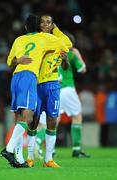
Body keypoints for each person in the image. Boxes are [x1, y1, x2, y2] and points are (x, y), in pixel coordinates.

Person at [0, 14, 69, 168]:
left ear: (25, 27)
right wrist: (55, 31)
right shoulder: (43, 38)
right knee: (28, 116)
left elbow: (9, 61)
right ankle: (10, 149)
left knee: (21, 116)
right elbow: (66, 45)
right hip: (30, 77)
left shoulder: (19, 40)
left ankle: (18, 158)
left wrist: (18, 60)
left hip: (15, 77)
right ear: (39, 28)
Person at [25, 15, 72, 168]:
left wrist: (64, 59)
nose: (45, 24)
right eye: (42, 22)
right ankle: (30, 158)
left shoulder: (56, 40)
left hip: (53, 85)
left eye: (49, 22)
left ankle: (48, 159)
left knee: (52, 121)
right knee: (33, 121)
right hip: (37, 84)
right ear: (38, 25)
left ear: (52, 25)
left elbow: (68, 46)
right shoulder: (36, 39)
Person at [58, 33, 90, 158]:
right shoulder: (71, 53)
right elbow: (82, 69)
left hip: (54, 90)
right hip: (68, 89)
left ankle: (45, 148)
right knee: (77, 117)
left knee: (53, 120)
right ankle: (76, 149)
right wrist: (78, 55)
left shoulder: (51, 54)